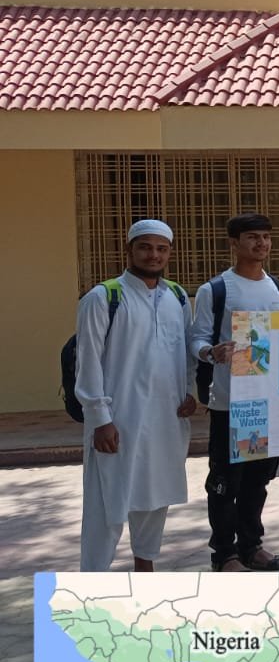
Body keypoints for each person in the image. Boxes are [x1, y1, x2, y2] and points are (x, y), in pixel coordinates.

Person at [75, 220, 198, 571]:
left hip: (165, 420)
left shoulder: (176, 297)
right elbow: (89, 363)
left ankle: (146, 568)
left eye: (161, 248)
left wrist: (188, 390)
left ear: (169, 253)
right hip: (119, 420)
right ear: (129, 250)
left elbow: (184, 352)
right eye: (145, 247)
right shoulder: (103, 297)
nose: (154, 254)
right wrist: (100, 419)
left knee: (154, 497)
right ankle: (92, 582)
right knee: (107, 505)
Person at [191, 212, 279, 572]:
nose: (261, 244)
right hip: (229, 403)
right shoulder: (216, 290)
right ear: (234, 243)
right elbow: (197, 339)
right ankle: (225, 554)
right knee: (224, 481)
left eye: (266, 237)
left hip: (266, 402)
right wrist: (210, 352)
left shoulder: (275, 287)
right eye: (252, 237)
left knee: (258, 479)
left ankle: (252, 546)